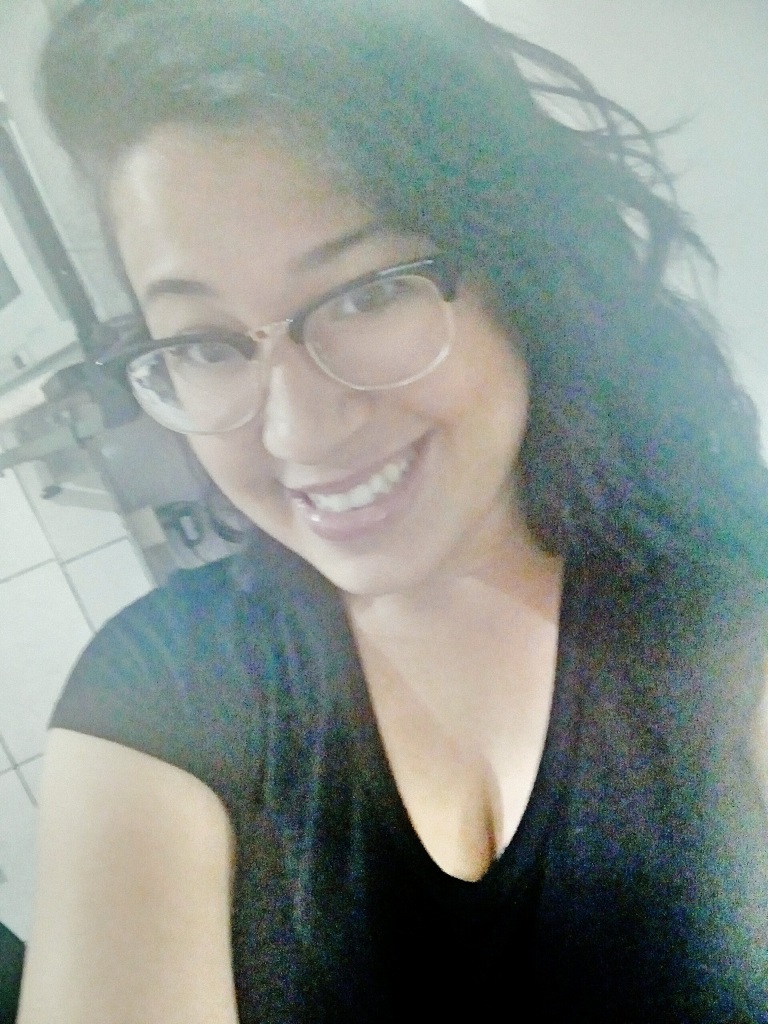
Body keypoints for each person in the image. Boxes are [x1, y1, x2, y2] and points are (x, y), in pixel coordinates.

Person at [17, 1, 768, 1021]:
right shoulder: (158, 693)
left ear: (520, 269)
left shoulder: (728, 603)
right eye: (204, 342)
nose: (296, 431)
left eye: (366, 294)